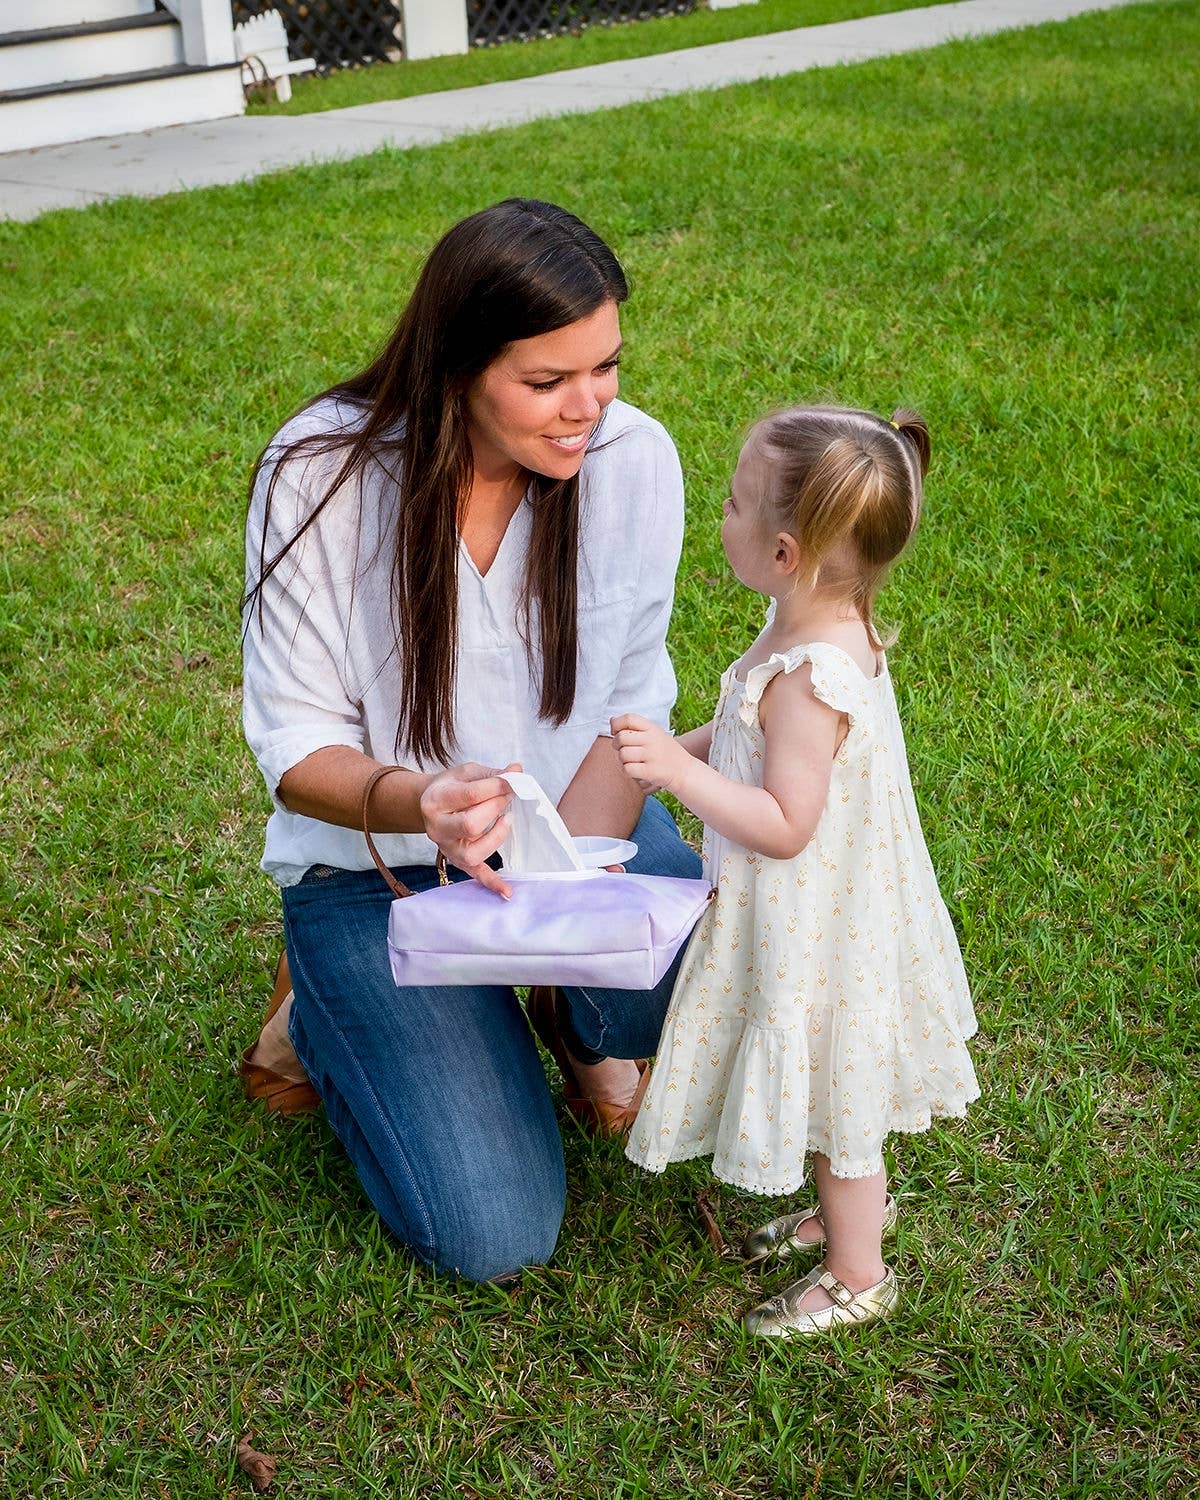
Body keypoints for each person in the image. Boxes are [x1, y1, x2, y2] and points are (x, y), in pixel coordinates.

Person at [240, 199, 701, 1284]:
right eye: (548, 382)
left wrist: (555, 902)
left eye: (607, 366)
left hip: (570, 839)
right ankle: (319, 1007)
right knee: (495, 1232)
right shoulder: (322, 475)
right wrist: (427, 807)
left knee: (701, 970)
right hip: (376, 866)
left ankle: (572, 1018)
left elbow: (626, 702)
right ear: (454, 367)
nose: (589, 407)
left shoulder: (635, 461)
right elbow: (300, 750)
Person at [612, 404, 979, 1337]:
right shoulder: (817, 618)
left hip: (814, 924)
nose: (720, 514)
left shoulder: (813, 680)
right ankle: (838, 1211)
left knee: (833, 1091)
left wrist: (679, 775)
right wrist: (682, 749)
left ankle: (859, 1270)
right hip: (829, 909)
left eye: (733, 504)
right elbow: (745, 729)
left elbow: (784, 823)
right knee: (828, 1092)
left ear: (785, 553)